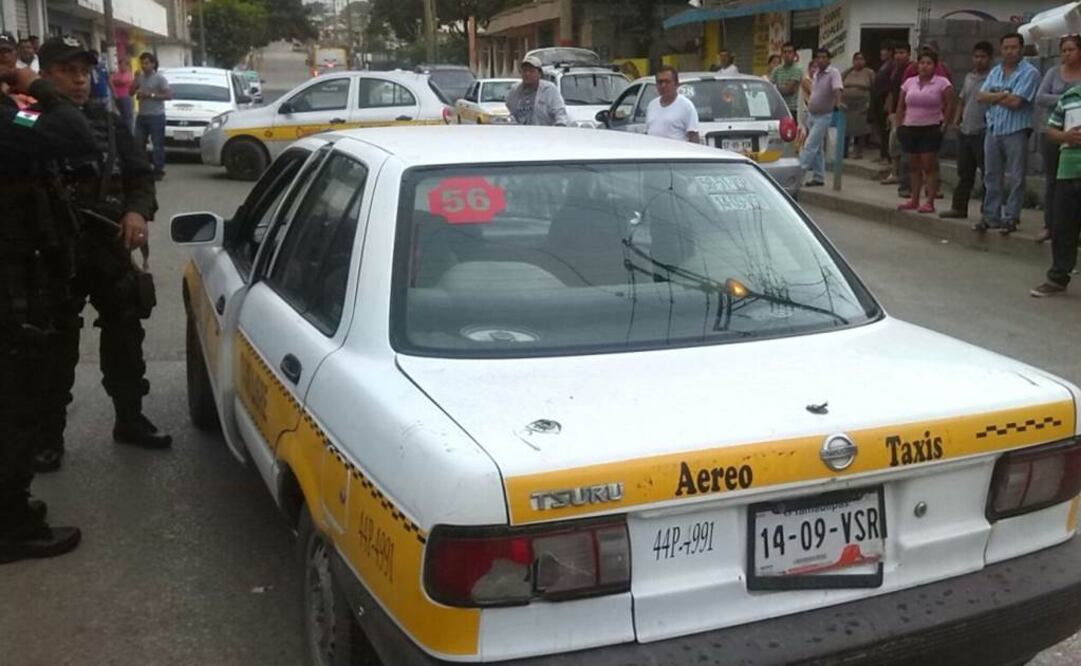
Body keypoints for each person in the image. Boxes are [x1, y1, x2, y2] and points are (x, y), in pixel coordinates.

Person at [32, 36, 170, 473]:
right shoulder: (25, 119)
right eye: (65, 71)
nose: (77, 80)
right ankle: (48, 437)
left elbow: (140, 175)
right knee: (52, 349)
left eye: (82, 71)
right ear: (44, 76)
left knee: (126, 340)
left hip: (108, 248)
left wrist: (136, 212)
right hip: (55, 252)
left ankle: (129, 419)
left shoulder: (109, 122)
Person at [0, 48, 97, 563]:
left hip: (23, 273)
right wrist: (36, 85)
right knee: (15, 404)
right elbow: (74, 134)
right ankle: (11, 527)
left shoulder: (11, 114)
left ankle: (13, 510)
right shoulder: (11, 114)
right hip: (10, 283)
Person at [975, 32, 1041, 234]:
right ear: (1001, 50)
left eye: (1014, 47)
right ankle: (990, 216)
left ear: (1021, 49)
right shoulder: (995, 72)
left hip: (1016, 130)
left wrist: (995, 96)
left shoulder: (1030, 73)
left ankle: (1011, 217)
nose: (1010, 51)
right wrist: (1004, 94)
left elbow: (1016, 102)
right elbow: (980, 96)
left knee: (1016, 176)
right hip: (993, 129)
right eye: (1006, 48)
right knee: (991, 175)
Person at [1030, 79, 1081, 297]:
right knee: (1063, 227)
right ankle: (1058, 278)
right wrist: (1066, 136)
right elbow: (1051, 130)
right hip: (1068, 170)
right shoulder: (1070, 96)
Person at [1034, 35, 1081, 242]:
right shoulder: (1053, 73)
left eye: (1071, 50)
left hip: (1078, 138)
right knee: (1053, 180)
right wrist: (1068, 98)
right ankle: (1050, 225)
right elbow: (1040, 97)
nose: (1067, 54)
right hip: (1054, 132)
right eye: (1064, 50)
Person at [941, 41, 993, 220]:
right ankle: (959, 208)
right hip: (966, 130)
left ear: (990, 58)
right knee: (964, 173)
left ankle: (987, 212)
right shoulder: (969, 77)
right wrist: (957, 120)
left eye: (983, 57)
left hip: (983, 131)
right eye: (976, 56)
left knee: (987, 174)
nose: (979, 60)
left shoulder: (993, 78)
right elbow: (962, 100)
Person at [895, 51, 954, 214]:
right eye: (922, 63)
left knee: (928, 165)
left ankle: (930, 201)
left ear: (935, 66)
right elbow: (900, 105)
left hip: (931, 127)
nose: (924, 66)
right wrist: (898, 125)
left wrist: (945, 125)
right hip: (910, 127)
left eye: (929, 63)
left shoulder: (942, 83)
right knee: (914, 166)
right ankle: (914, 199)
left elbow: (950, 104)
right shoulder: (909, 82)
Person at [800, 47, 843, 188]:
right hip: (812, 114)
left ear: (829, 59)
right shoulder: (817, 73)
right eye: (819, 57)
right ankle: (818, 177)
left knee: (809, 146)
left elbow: (837, 89)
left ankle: (796, 174)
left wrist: (838, 104)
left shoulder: (833, 73)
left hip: (824, 115)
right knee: (817, 149)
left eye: (824, 57)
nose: (821, 60)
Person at [132, 51, 170, 179]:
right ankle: (142, 167)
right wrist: (135, 80)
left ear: (153, 64)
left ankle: (158, 169)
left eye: (147, 63)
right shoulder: (140, 77)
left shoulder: (160, 78)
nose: (144, 66)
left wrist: (151, 95)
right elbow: (130, 92)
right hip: (142, 116)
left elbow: (168, 95)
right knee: (138, 143)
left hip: (156, 116)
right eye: (142, 63)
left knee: (157, 144)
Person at [505, 55, 568, 127]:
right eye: (524, 70)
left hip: (543, 133)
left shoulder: (549, 89)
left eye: (531, 71)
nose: (527, 74)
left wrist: (560, 126)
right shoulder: (514, 90)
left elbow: (560, 112)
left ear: (539, 74)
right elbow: (509, 110)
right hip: (520, 134)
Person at [883, 43, 913, 193]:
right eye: (897, 53)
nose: (899, 56)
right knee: (893, 143)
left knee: (903, 145)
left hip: (907, 114)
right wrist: (890, 111)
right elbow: (892, 92)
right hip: (895, 112)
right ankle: (894, 173)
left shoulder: (911, 69)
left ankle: (904, 176)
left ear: (908, 54)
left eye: (902, 52)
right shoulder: (894, 70)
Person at [645, 65, 699, 143]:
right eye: (660, 82)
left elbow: (693, 137)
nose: (663, 85)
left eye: (667, 82)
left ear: (676, 84)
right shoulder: (651, 105)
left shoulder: (686, 106)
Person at [841, 52, 874, 159]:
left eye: (861, 59)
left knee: (860, 129)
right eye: (856, 59)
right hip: (847, 104)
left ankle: (858, 152)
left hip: (862, 104)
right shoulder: (848, 72)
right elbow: (839, 84)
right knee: (845, 128)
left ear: (865, 61)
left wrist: (871, 103)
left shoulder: (869, 73)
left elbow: (874, 88)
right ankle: (843, 152)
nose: (859, 61)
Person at [872, 41, 895, 164]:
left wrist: (888, 101)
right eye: (881, 50)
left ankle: (887, 156)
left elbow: (890, 85)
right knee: (881, 128)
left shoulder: (892, 66)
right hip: (877, 99)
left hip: (885, 100)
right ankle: (882, 154)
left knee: (886, 129)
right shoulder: (884, 65)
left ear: (891, 52)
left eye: (885, 50)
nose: (882, 52)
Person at [770, 42, 802, 118]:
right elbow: (770, 89)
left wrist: (775, 88)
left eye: (790, 52)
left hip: (790, 109)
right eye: (784, 52)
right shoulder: (777, 70)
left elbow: (789, 91)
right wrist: (778, 88)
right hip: (777, 108)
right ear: (781, 54)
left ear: (794, 54)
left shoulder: (797, 69)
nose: (787, 54)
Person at [111, 58, 134, 131]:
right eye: (120, 65)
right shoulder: (116, 73)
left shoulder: (128, 74)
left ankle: (129, 132)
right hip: (117, 97)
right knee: (121, 116)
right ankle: (124, 131)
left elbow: (123, 81)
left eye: (124, 65)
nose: (122, 66)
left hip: (126, 96)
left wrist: (116, 81)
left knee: (128, 117)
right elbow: (111, 81)